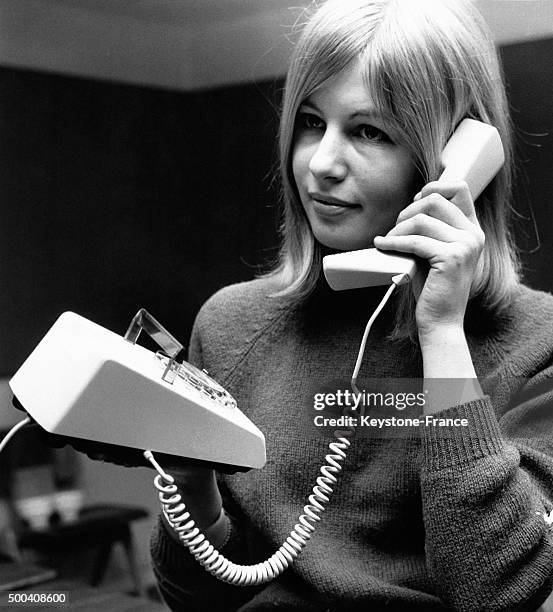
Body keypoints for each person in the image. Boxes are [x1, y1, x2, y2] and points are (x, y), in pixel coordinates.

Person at [149, 0, 553, 610]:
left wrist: (442, 331)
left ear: (453, 160)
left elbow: (496, 590)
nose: (321, 164)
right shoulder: (232, 325)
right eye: (312, 123)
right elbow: (195, 598)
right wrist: (188, 482)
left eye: (369, 131)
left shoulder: (537, 340)